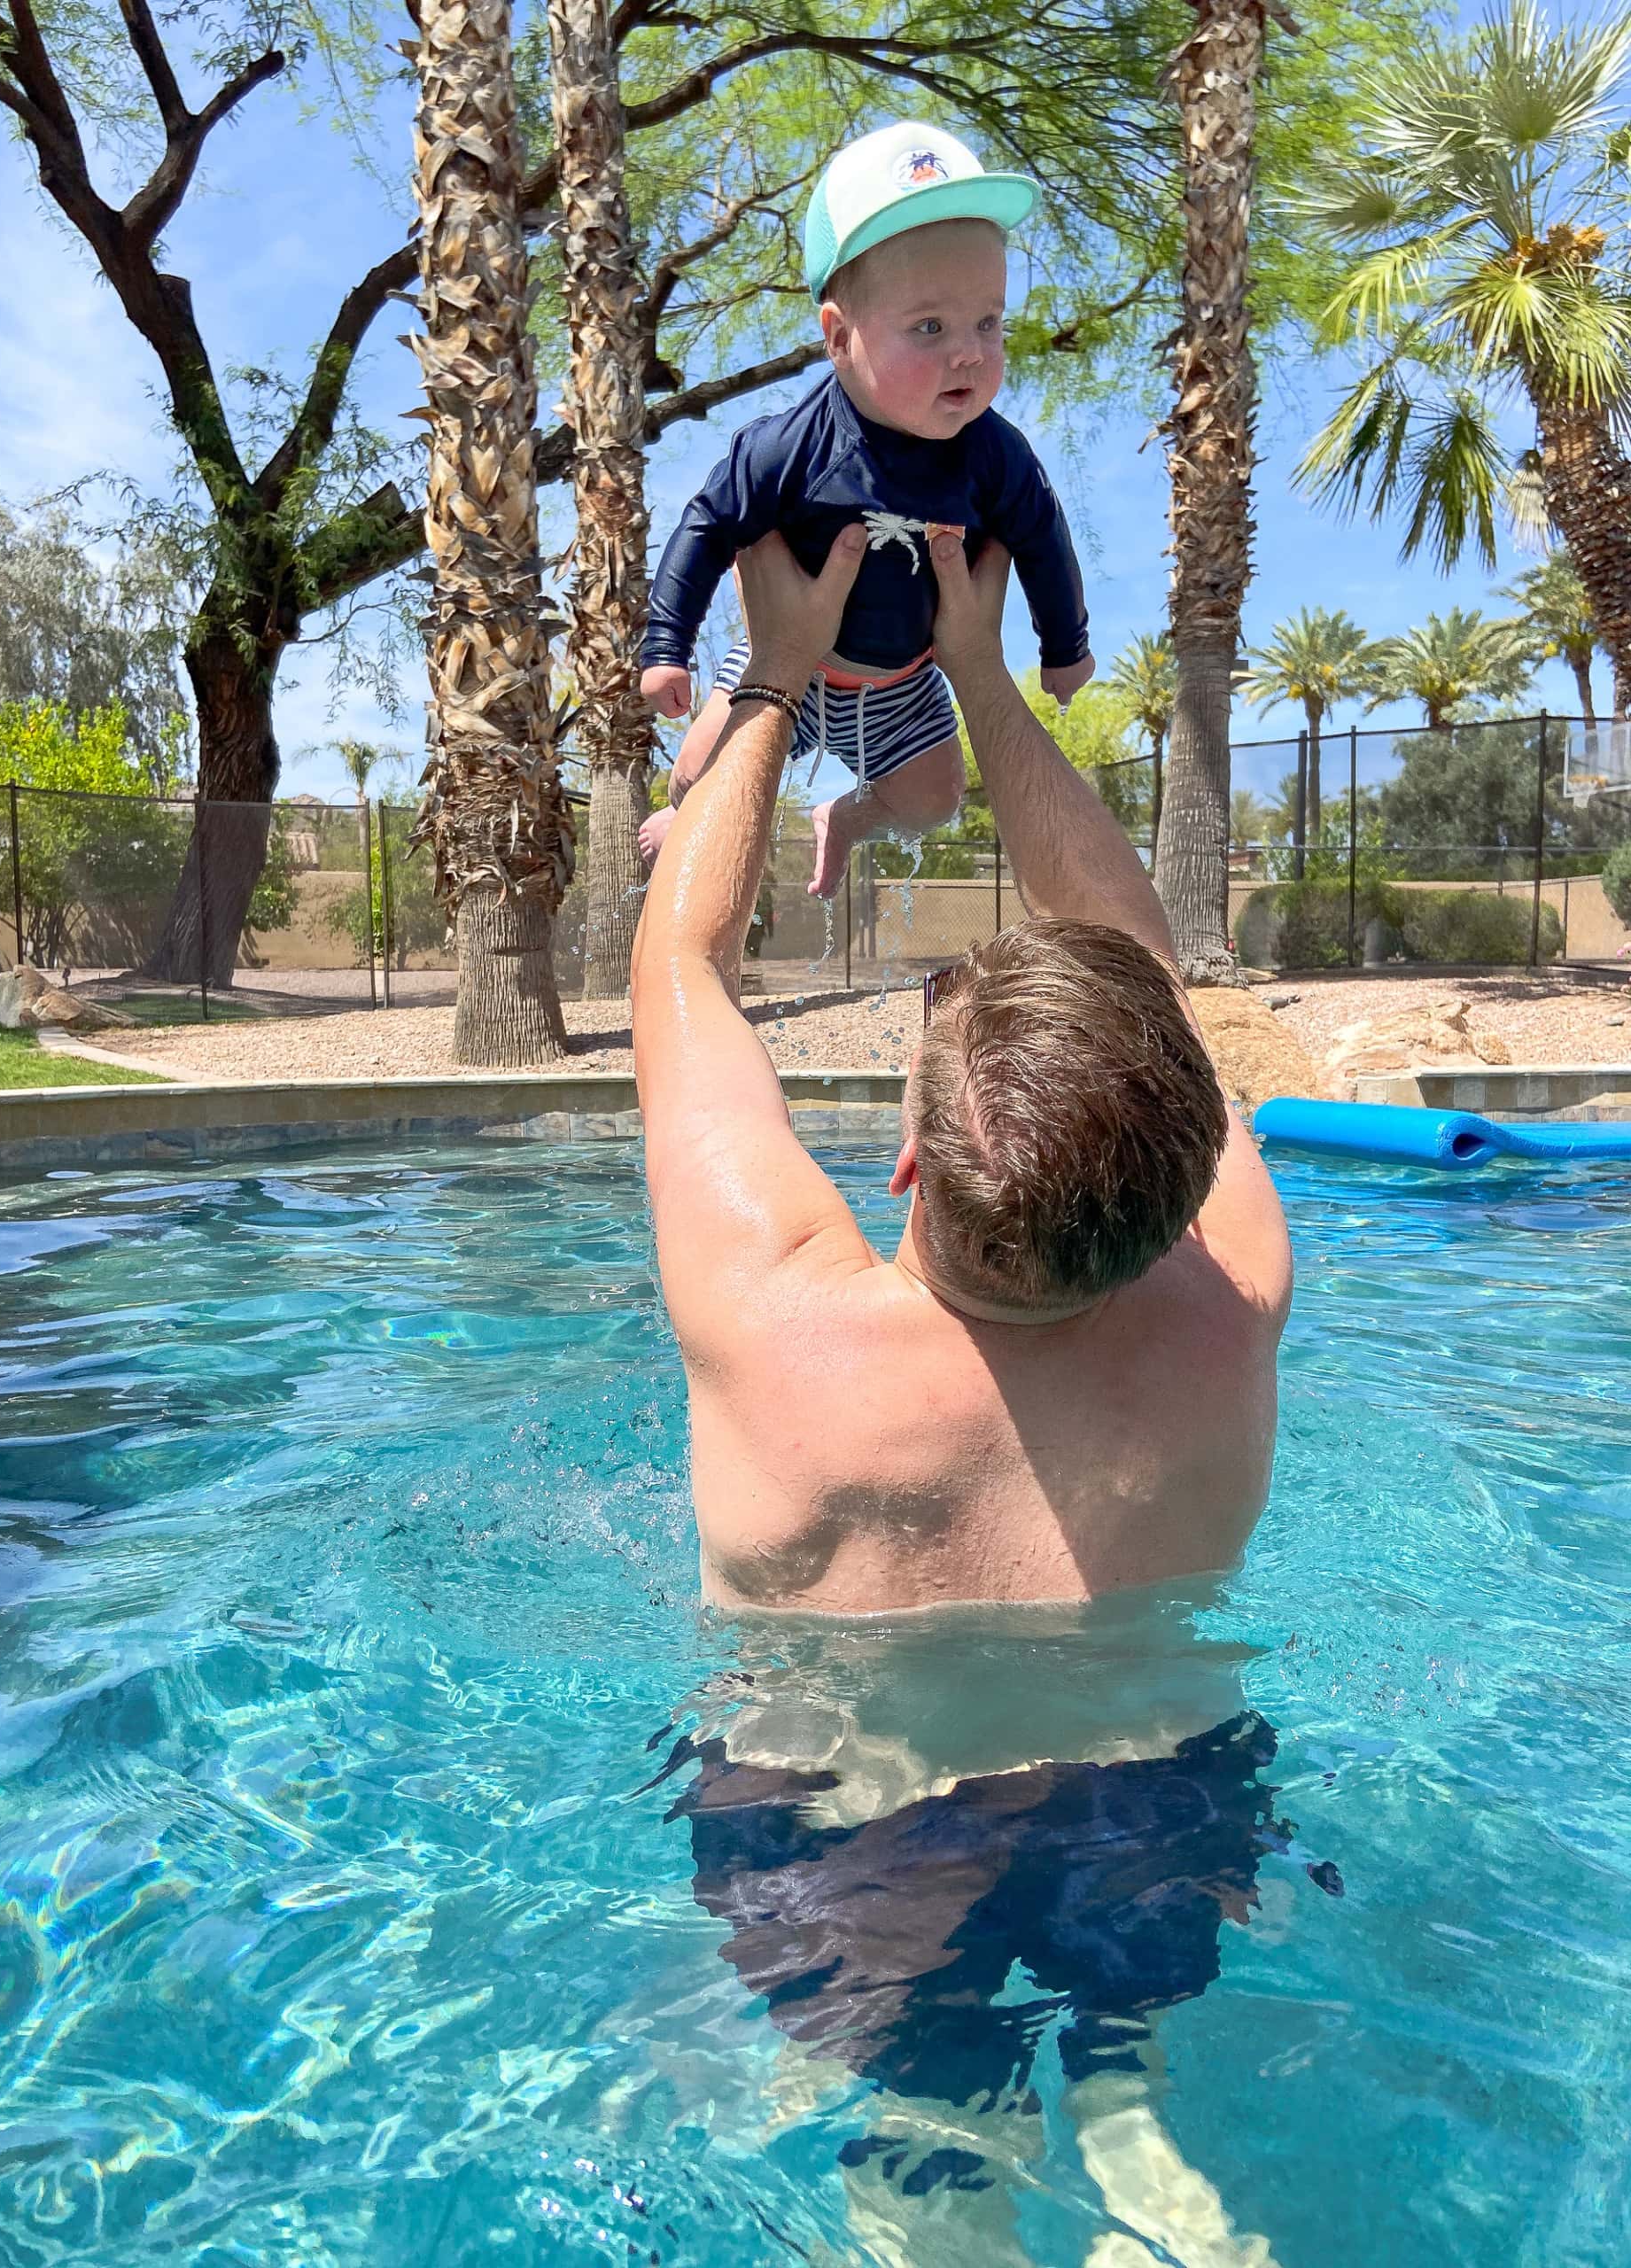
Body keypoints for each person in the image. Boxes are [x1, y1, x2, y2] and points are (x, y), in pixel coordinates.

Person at [629, 523, 1297, 2266]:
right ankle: (1143, 2154)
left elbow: (677, 967)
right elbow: (1137, 949)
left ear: (910, 1158)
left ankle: (941, 2154)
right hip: (1158, 1802)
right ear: (1184, 1178)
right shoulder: (1233, 1314)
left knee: (924, 2090)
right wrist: (988, 677)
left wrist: (777, 665)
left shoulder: (781, 1337)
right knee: (1125, 2036)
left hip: (852, 1831)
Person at [636, 120, 1095, 900]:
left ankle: (846, 817)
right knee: (697, 769)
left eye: (989, 322)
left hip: (905, 679)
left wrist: (1064, 643)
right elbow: (708, 525)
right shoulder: (787, 449)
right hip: (792, 661)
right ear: (840, 337)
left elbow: (1043, 539)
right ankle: (687, 818)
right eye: (930, 327)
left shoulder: (998, 456)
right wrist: (664, 646)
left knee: (936, 799)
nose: (970, 353)